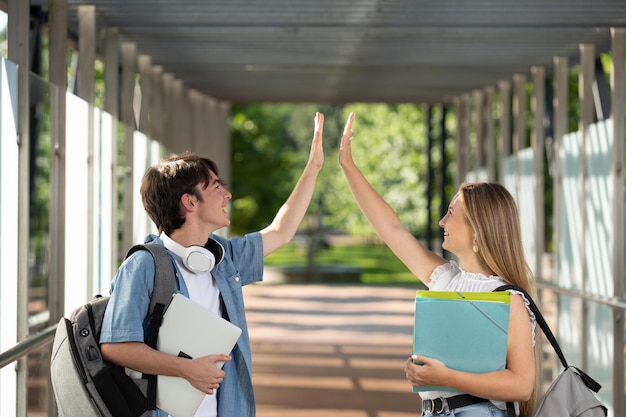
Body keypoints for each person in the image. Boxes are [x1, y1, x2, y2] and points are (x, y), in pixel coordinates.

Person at [99, 112, 326, 417]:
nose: (227, 194)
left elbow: (281, 231)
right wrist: (187, 370)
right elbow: (116, 347)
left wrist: (313, 168)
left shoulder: (223, 258)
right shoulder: (143, 266)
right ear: (190, 202)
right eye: (217, 187)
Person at [337, 112, 537, 417]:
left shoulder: (510, 299)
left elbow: (522, 385)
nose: (442, 221)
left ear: (477, 229)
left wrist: (442, 377)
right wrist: (348, 167)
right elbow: (391, 229)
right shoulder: (446, 279)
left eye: (451, 213)